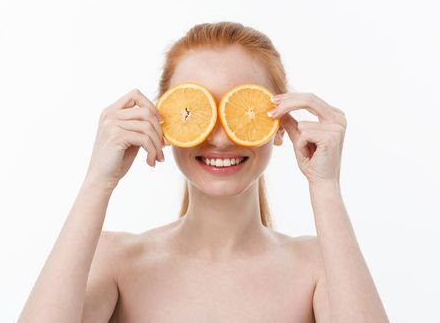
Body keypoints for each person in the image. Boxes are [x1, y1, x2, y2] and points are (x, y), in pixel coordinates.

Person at [19, 21, 389, 322]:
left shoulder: (319, 267)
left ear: (279, 123)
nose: (219, 137)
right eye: (196, 109)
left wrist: (325, 187)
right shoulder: (114, 260)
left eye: (241, 110)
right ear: (164, 121)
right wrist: (97, 182)